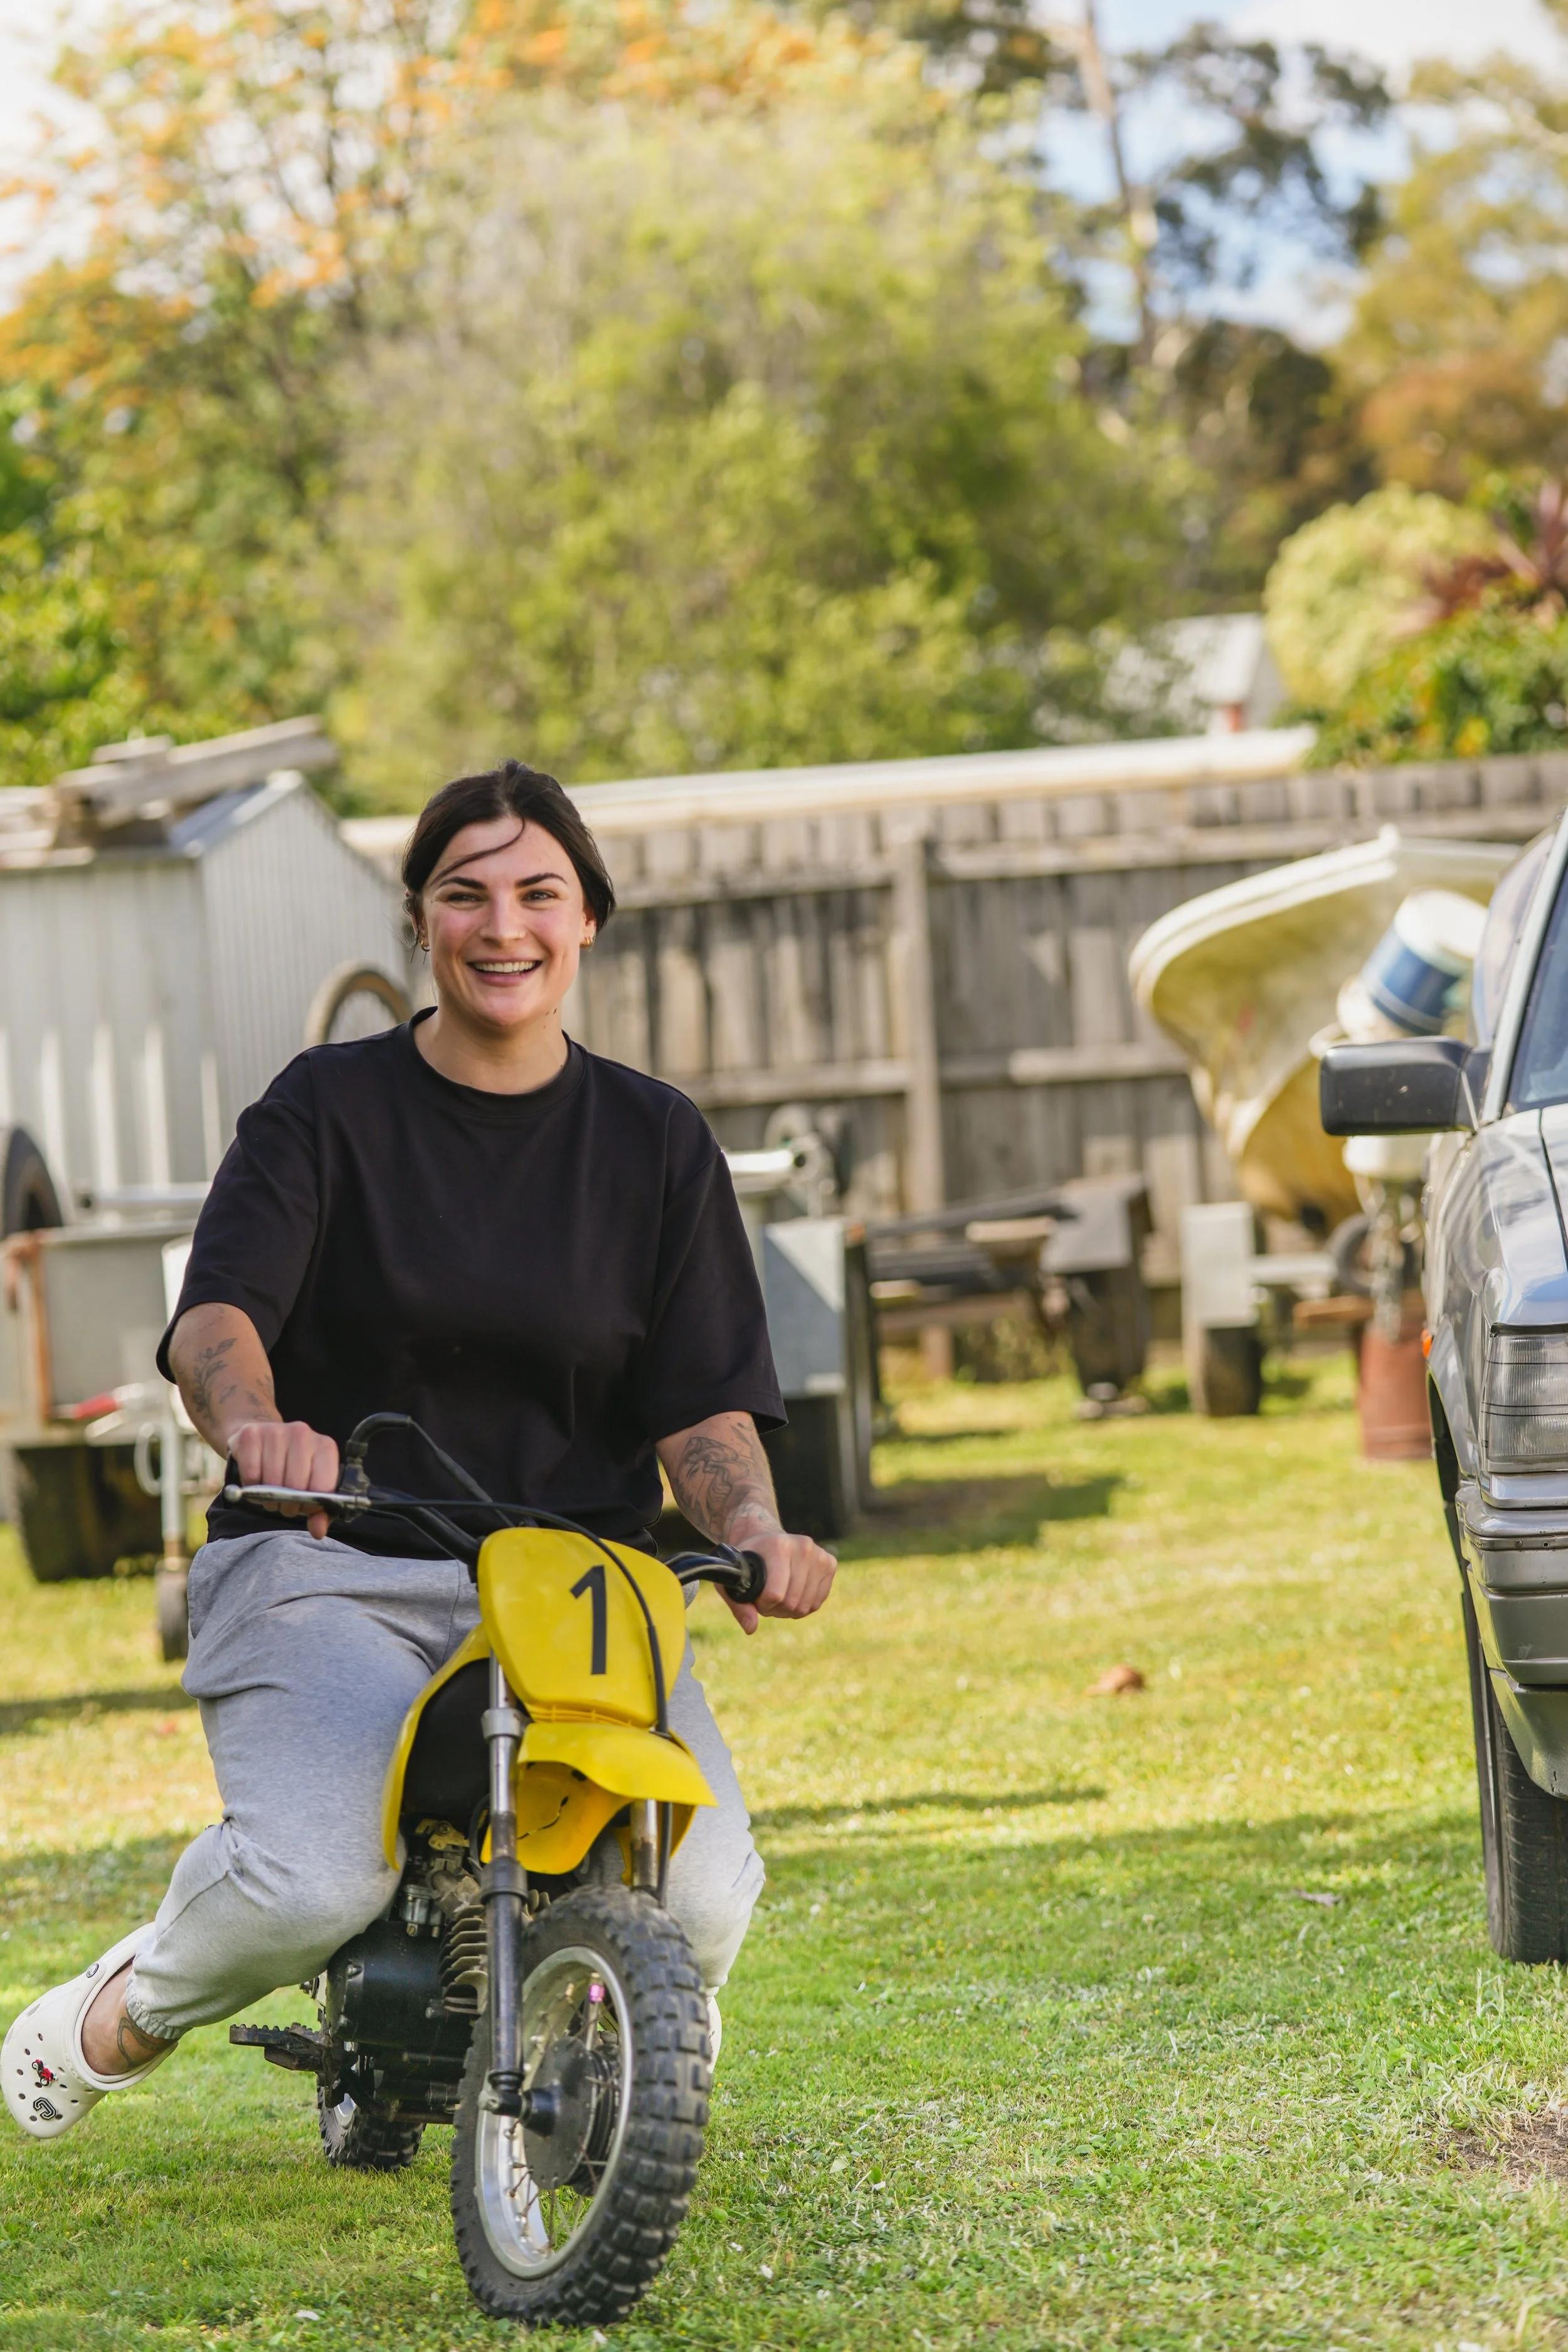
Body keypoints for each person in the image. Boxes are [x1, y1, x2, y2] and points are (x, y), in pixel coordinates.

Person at [4, 758, 835, 2143]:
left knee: (697, 1895)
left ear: (586, 924)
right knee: (312, 1882)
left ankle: (593, 2030)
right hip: (334, 1562)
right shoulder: (325, 1109)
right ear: (419, 921)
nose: (501, 925)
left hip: (578, 1586)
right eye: (466, 894)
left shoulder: (656, 1143)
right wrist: (256, 1424)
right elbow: (219, 1319)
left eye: (536, 893)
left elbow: (703, 1413)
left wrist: (748, 1528)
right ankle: (118, 2011)